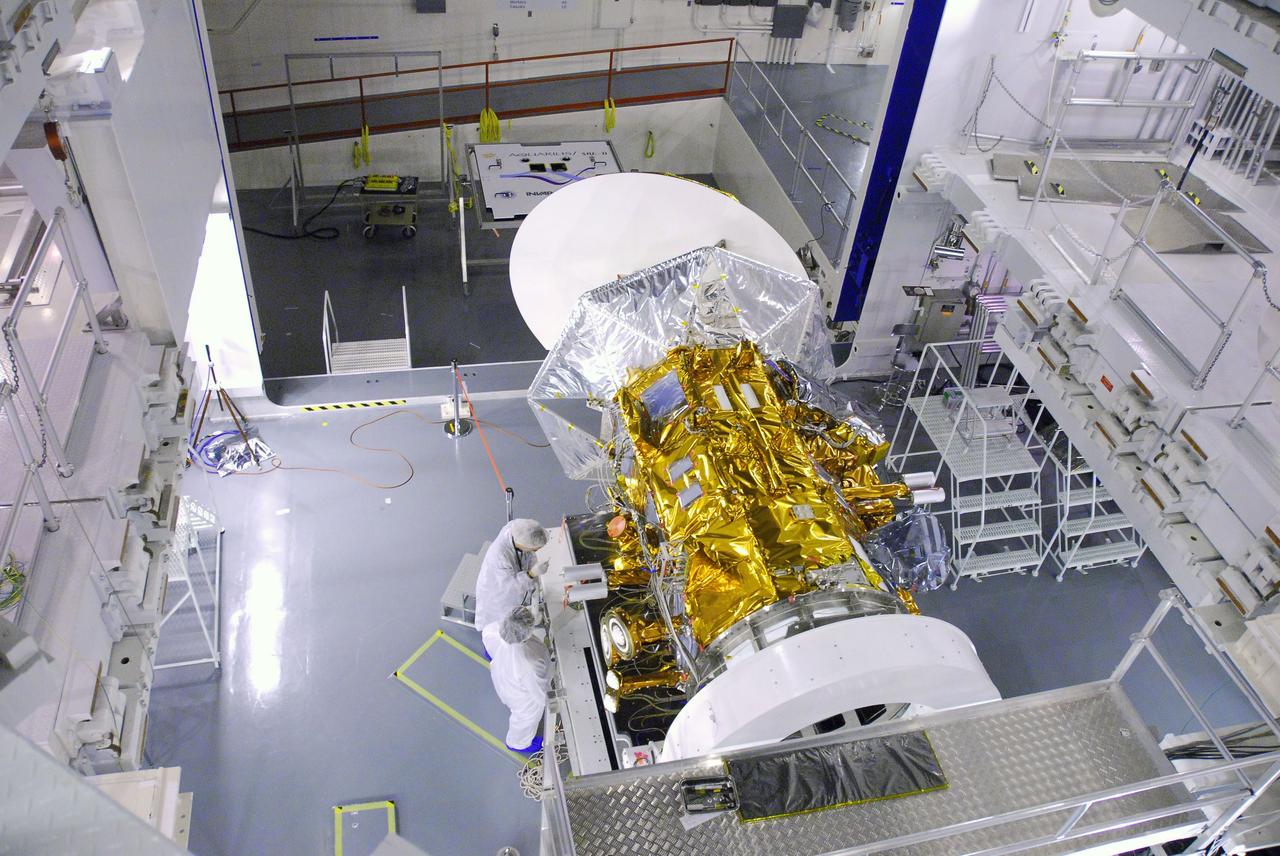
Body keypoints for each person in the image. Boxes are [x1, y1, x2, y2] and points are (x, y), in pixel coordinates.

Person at [482, 606, 552, 754]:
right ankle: (519, 743)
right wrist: (549, 703)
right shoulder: (530, 663)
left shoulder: (496, 630)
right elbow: (539, 693)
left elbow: (488, 638)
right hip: (520, 695)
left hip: (502, 673)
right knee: (527, 717)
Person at [474, 519, 548, 634]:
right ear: (523, 545)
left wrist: (533, 566)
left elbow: (528, 554)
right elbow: (510, 588)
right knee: (502, 626)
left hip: (505, 580)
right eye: (534, 549)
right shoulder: (500, 556)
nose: (535, 551)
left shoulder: (518, 529)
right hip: (497, 592)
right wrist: (531, 574)